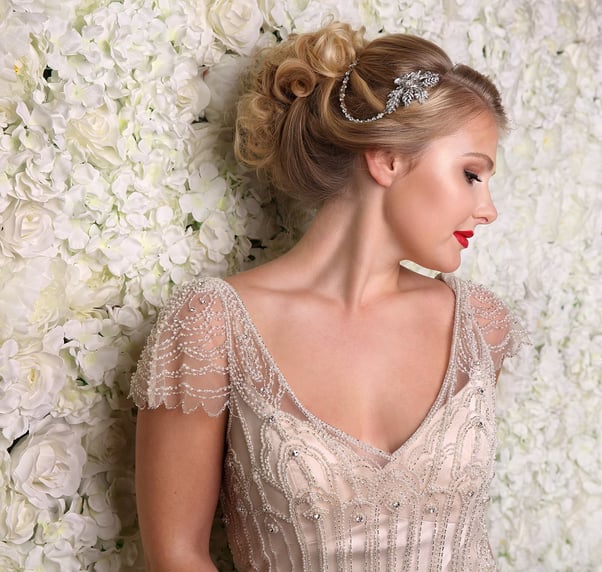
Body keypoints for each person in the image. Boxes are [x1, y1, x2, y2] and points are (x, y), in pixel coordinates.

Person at [131, 21, 525, 572]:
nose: (488, 210)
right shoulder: (213, 325)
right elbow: (177, 557)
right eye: (471, 175)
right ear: (387, 159)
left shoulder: (479, 324)